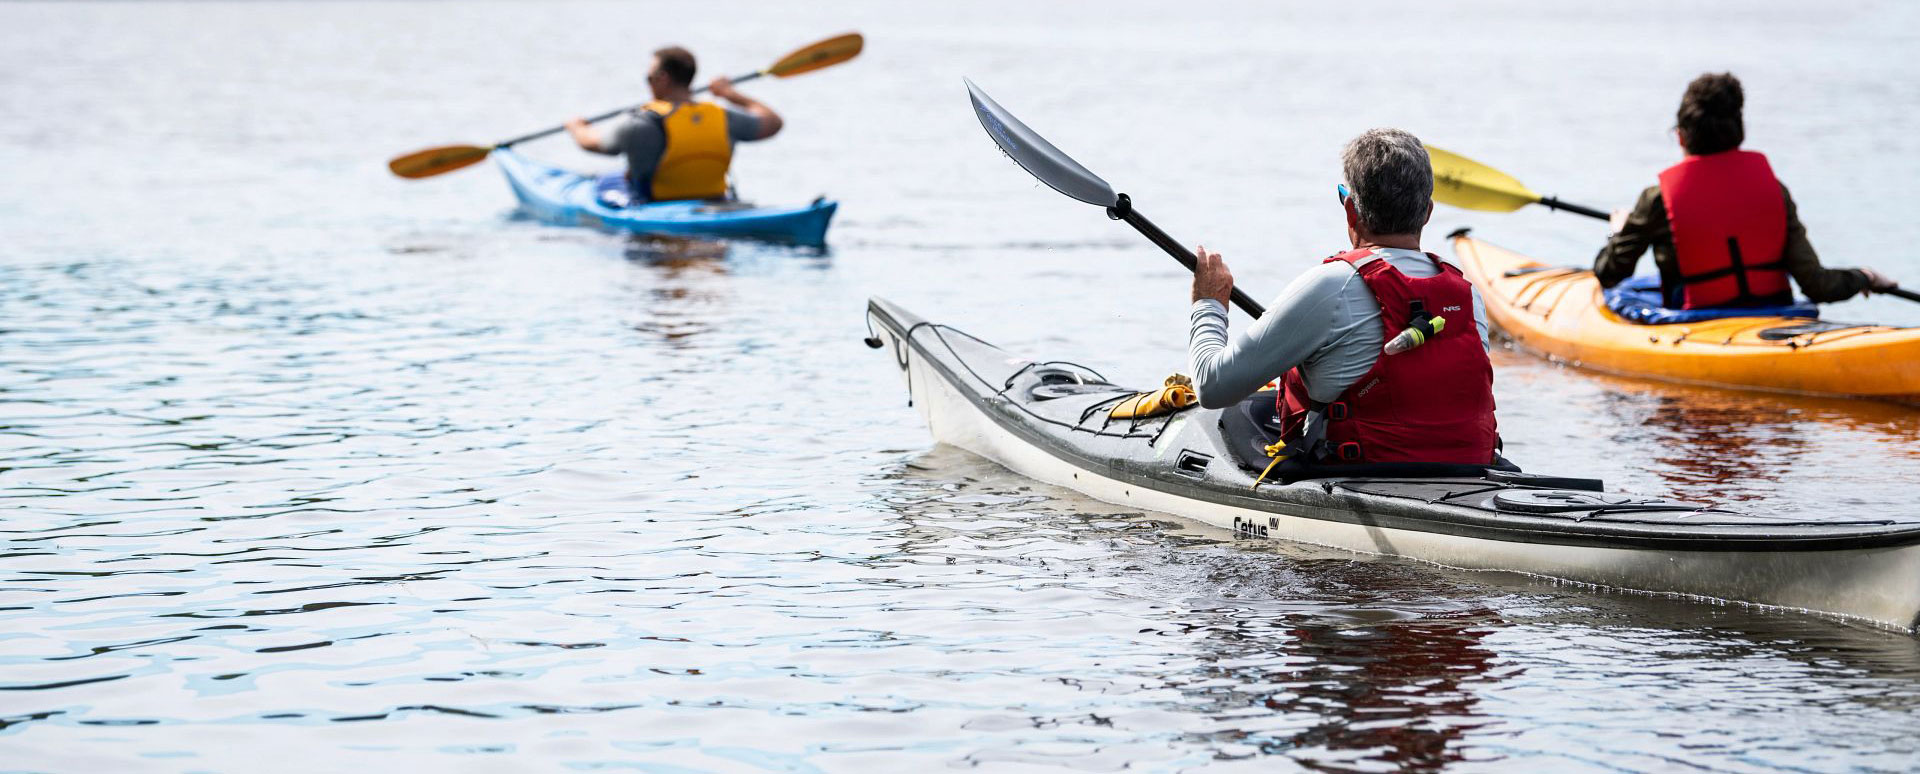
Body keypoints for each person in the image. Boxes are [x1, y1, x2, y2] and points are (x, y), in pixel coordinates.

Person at [1188, 129, 1498, 467]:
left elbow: (1211, 386)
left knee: (1238, 415)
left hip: (1362, 475)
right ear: (1427, 212)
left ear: (1351, 209)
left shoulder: (1331, 286)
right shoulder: (1467, 296)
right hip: (1469, 471)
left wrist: (1209, 303)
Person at [1593, 72, 1896, 309]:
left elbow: (1609, 273)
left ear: (1682, 137)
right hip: (1772, 316)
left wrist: (1618, 232)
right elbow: (1817, 285)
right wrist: (1863, 277)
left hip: (1694, 323)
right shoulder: (1774, 191)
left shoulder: (1658, 199)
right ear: (1740, 133)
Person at [564, 46, 783, 203]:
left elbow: (591, 143)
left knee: (606, 181)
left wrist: (576, 127)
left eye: (649, 78)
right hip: (714, 201)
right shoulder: (723, 116)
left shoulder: (639, 122)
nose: (648, 83)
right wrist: (730, 94)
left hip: (654, 205)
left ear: (662, 78)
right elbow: (773, 122)